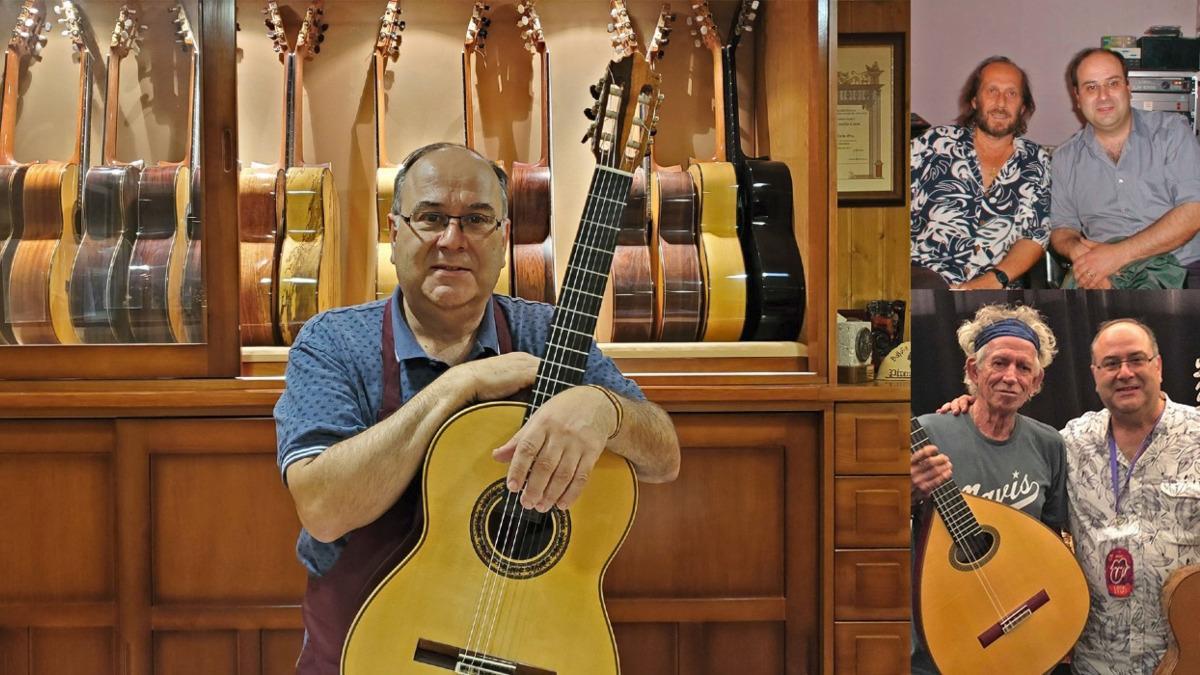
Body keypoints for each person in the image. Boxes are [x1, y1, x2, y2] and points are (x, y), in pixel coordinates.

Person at [273, 142, 681, 673]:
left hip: (531, 649)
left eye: (476, 220)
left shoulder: (548, 334)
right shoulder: (333, 343)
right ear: (394, 234)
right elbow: (324, 511)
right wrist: (457, 386)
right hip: (372, 654)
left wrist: (606, 410)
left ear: (504, 238)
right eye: (431, 217)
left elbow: (663, 458)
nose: (452, 239)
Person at [936, 318, 1200, 674]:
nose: (1124, 373)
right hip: (1096, 660)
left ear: (1159, 366)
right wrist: (971, 407)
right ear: (1094, 374)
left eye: (1136, 359)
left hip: (1185, 655)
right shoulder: (1068, 442)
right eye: (1110, 363)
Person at [910, 304, 1069, 675]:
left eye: (1023, 367)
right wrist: (910, 489)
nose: (1010, 377)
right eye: (999, 363)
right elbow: (874, 526)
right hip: (946, 633)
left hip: (1024, 627)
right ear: (973, 369)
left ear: (1037, 381)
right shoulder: (929, 432)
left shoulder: (1050, 444)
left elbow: (1052, 539)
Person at [1050, 47, 1200, 289]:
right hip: (1102, 276)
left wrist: (1117, 255)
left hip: (1182, 270)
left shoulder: (1172, 133)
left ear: (1128, 88)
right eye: (1091, 87)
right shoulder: (1064, 159)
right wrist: (1081, 254)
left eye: (1113, 83)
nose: (1103, 96)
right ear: (1077, 98)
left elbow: (1194, 212)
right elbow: (1062, 228)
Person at [910, 56, 1051, 290]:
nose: (1001, 102)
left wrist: (992, 281)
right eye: (992, 90)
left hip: (995, 290)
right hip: (925, 283)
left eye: (1012, 93)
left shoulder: (1035, 160)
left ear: (1024, 107)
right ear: (974, 101)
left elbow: (1035, 236)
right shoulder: (932, 145)